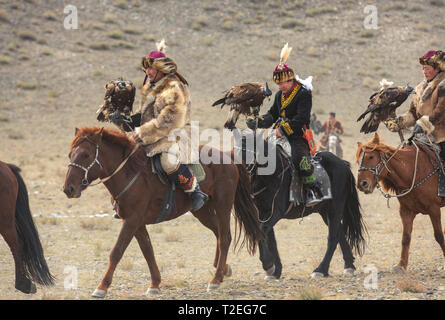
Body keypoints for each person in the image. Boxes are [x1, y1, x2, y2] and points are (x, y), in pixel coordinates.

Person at [119, 40, 208, 212]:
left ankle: (194, 191)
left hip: (177, 133)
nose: (148, 72)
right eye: (146, 69)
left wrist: (142, 132)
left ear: (161, 69)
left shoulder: (176, 88)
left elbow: (168, 120)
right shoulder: (149, 87)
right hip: (153, 134)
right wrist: (123, 120)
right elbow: (142, 116)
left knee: (168, 162)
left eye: (151, 68)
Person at [246, 43, 322, 206]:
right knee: (259, 155)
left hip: (297, 136)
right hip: (277, 134)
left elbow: (301, 118)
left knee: (299, 158)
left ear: (290, 79)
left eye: (283, 83)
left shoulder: (303, 94)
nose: (280, 86)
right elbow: (273, 114)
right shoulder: (280, 94)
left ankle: (312, 190)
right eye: (278, 84)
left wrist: (284, 130)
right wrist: (258, 122)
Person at [386, 50, 445, 161]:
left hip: (441, 137)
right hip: (422, 136)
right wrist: (400, 122)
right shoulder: (419, 89)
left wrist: (424, 124)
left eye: (427, 68)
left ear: (437, 69)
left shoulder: (443, 87)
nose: (424, 71)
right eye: (422, 68)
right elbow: (413, 113)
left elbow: (440, 113)